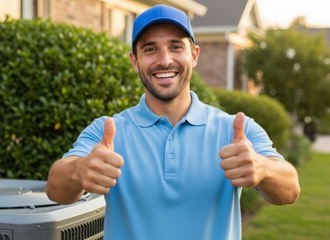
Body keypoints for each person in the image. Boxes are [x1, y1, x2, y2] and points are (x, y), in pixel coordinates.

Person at [45, 4, 300, 240]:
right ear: (135, 61)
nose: (165, 60)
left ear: (194, 55)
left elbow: (290, 190)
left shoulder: (236, 130)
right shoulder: (107, 131)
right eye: (150, 49)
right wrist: (80, 170)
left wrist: (263, 168)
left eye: (176, 46)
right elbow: (56, 189)